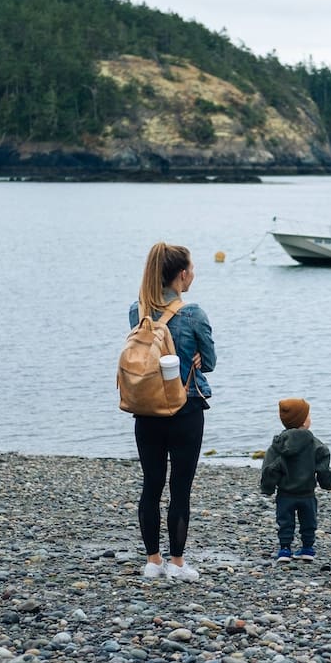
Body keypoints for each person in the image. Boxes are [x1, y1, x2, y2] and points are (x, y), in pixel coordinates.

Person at [128, 241, 216, 581]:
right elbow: (208, 362)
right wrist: (194, 357)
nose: (194, 274)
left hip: (146, 410)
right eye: (192, 268)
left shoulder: (137, 311)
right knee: (181, 487)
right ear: (182, 274)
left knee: (151, 485)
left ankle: (153, 561)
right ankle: (177, 563)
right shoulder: (194, 314)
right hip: (186, 407)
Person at [259, 398, 331, 562]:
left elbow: (269, 469)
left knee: (285, 521)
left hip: (285, 493)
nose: (310, 418)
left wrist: (267, 488)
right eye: (308, 415)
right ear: (303, 421)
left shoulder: (278, 445)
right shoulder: (316, 444)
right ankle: (307, 548)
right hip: (307, 493)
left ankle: (285, 549)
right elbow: (323, 468)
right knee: (309, 522)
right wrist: (327, 483)